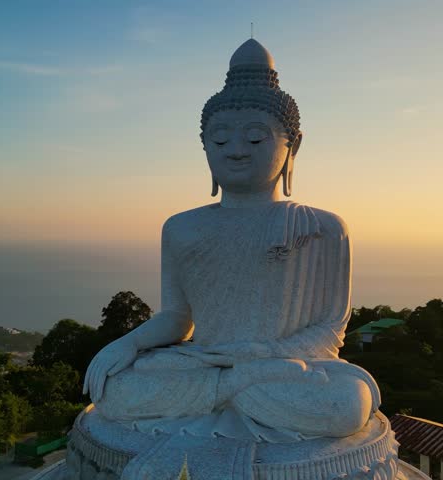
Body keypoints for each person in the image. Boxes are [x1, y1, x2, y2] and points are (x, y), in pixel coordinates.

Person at [83, 39, 379, 443]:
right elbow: (178, 317)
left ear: (293, 145)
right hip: (210, 364)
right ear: (204, 145)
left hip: (283, 368)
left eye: (255, 139)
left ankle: (226, 392)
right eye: (220, 140)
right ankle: (232, 390)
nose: (236, 151)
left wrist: (260, 356)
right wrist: (127, 344)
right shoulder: (181, 227)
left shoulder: (322, 228)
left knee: (346, 403)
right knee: (114, 388)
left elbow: (330, 331)